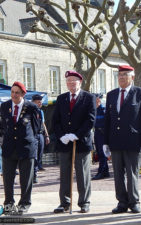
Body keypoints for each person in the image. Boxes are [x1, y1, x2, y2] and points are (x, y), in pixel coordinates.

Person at [103, 65, 141, 214]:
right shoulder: (111, 95)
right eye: (119, 75)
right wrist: (106, 141)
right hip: (115, 140)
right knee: (117, 174)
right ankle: (122, 202)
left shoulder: (140, 93)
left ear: (132, 76)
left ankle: (134, 201)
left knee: (132, 174)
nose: (122, 77)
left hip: (133, 140)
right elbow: (108, 120)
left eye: (125, 74)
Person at [53, 70, 96, 214]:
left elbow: (90, 120)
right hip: (65, 142)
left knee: (82, 174)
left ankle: (84, 202)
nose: (71, 83)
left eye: (73, 80)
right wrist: (62, 136)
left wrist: (76, 134)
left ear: (80, 82)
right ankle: (64, 202)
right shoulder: (61, 99)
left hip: (81, 142)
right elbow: (55, 121)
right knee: (65, 173)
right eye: (68, 81)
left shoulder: (89, 98)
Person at [0, 81, 40, 214]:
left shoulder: (32, 107)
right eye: (12, 92)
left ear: (23, 94)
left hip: (26, 147)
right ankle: (9, 203)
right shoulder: (4, 106)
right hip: (9, 147)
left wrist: (31, 142)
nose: (14, 95)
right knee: (8, 178)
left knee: (26, 178)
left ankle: (24, 203)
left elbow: (36, 128)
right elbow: (4, 126)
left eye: (17, 92)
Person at [32, 94, 50, 183]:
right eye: (38, 102)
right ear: (34, 102)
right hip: (33, 135)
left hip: (40, 135)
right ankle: (33, 175)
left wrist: (46, 135)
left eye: (41, 102)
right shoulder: (30, 111)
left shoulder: (41, 112)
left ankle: (37, 169)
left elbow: (43, 124)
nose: (40, 104)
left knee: (39, 154)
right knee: (34, 155)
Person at [92, 93, 109, 180]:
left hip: (103, 134)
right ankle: (105, 171)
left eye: (94, 100)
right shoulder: (94, 110)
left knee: (103, 153)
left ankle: (101, 171)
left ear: (98, 100)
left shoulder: (103, 109)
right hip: (97, 133)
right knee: (99, 152)